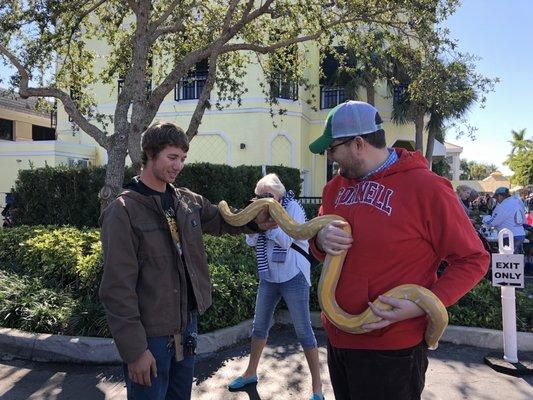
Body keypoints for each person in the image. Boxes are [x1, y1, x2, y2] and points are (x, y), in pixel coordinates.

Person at [307, 100, 489, 400]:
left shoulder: (427, 187)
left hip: (394, 348)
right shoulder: (334, 189)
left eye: (332, 148)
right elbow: (321, 250)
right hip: (339, 340)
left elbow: (473, 259)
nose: (329, 155)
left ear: (357, 144)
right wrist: (320, 240)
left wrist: (425, 304)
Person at [99, 122, 275, 400]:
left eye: (182, 158)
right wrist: (135, 351)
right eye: (172, 157)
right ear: (149, 154)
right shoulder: (123, 211)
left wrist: (257, 221)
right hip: (151, 338)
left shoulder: (186, 201)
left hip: (187, 328)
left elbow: (221, 219)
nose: (178, 165)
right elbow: (116, 289)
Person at [228, 173, 325, 400]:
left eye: (268, 196)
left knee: (304, 331)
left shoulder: (294, 209)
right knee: (259, 327)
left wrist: (269, 223)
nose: (264, 200)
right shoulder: (259, 212)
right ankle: (250, 372)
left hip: (294, 275)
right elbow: (250, 240)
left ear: (279, 195)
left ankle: (317, 388)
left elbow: (286, 240)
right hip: (269, 276)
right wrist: (257, 223)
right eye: (259, 196)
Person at [482, 186, 526, 254]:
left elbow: (492, 223)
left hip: (509, 236)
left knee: (508, 260)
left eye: (496, 198)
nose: (496, 200)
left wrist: (485, 218)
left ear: (499, 196)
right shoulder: (517, 202)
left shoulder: (504, 205)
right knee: (517, 261)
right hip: (520, 234)